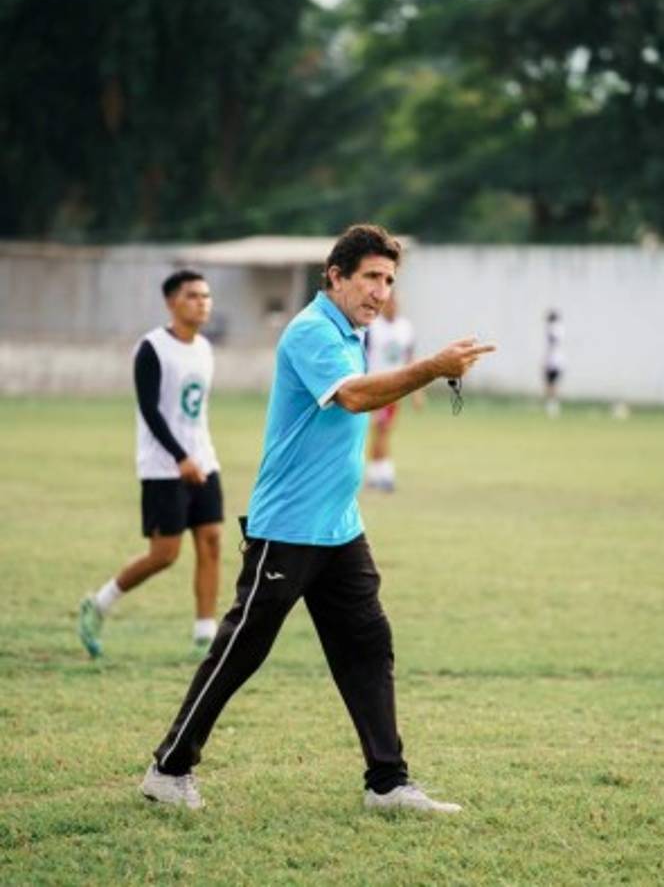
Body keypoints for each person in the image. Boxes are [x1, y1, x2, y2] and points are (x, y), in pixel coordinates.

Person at [139, 225, 495, 813]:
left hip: (339, 527)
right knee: (240, 651)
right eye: (370, 278)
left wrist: (426, 370)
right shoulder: (310, 331)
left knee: (368, 645)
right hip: (288, 529)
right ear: (335, 277)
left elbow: (364, 395)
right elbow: (353, 396)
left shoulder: (352, 331)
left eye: (388, 280)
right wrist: (432, 367)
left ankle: (387, 783)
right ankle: (168, 769)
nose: (380, 291)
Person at [78, 270, 223, 659]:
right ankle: (100, 603)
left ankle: (205, 638)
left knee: (211, 542)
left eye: (206, 296)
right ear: (171, 302)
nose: (202, 303)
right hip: (164, 467)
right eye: (193, 295)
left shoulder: (205, 349)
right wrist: (180, 458)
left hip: (204, 460)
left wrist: (199, 456)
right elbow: (150, 410)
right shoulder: (152, 348)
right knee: (165, 554)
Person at [364, 292, 421, 492]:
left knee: (383, 429)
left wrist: (416, 392)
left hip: (395, 387)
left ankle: (374, 473)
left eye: (395, 303)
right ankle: (384, 474)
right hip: (375, 385)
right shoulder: (372, 327)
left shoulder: (405, 328)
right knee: (381, 429)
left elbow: (410, 358)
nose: (392, 307)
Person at [543, 308, 565, 417]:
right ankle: (553, 404)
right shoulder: (561, 328)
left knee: (550, 384)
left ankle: (552, 405)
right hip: (559, 361)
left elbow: (552, 342)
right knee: (553, 384)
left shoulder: (552, 328)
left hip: (552, 361)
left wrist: (545, 361)